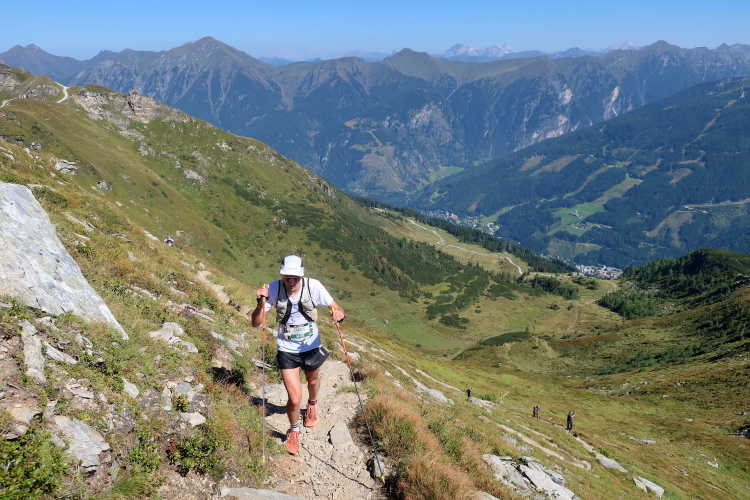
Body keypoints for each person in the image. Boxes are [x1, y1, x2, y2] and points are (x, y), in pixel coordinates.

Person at [251, 255, 345, 455]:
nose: (291, 281)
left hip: (311, 345)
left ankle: (312, 404)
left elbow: (336, 307)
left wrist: (338, 313)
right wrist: (260, 302)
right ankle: (294, 430)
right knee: (294, 399)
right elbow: (255, 323)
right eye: (287, 277)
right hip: (287, 348)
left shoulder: (314, 286)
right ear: (282, 276)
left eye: (295, 277)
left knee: (313, 381)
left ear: (302, 275)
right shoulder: (274, 289)